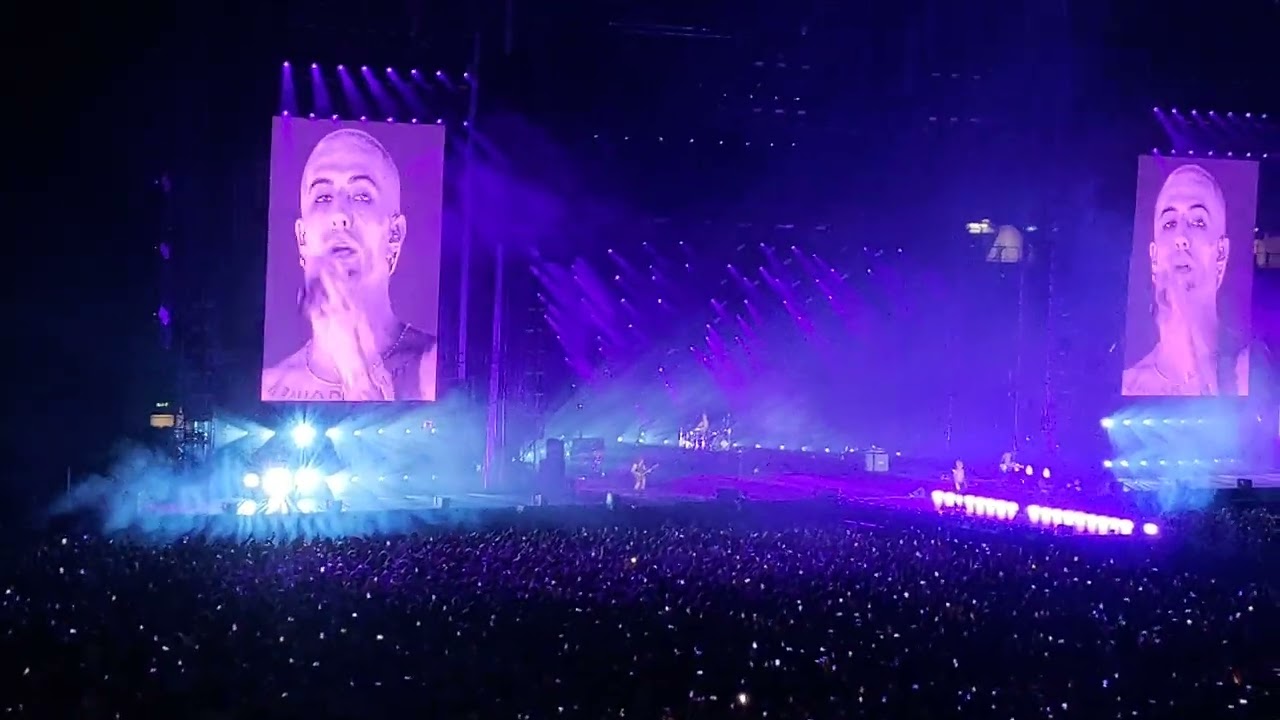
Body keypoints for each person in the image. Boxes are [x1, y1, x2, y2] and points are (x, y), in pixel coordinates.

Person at [263, 128, 437, 401]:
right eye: (323, 197)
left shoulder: (432, 369)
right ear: (302, 237)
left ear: (395, 234)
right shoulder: (272, 385)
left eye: (361, 196)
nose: (340, 216)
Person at [1123, 164, 1246, 396]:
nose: (1181, 237)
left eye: (1198, 222)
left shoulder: (1250, 374)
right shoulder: (1131, 385)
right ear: (1154, 256)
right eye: (1169, 223)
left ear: (1221, 253)